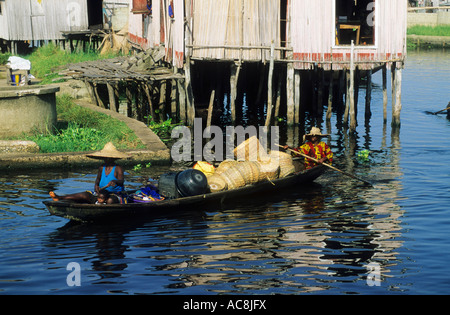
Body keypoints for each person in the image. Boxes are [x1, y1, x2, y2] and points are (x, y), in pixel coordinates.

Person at [49, 142, 130, 204]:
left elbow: (121, 181)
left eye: (107, 157)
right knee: (84, 195)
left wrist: (115, 181)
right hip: (101, 193)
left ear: (112, 158)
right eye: (105, 157)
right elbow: (97, 180)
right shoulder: (102, 167)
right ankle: (60, 197)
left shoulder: (118, 168)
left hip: (115, 194)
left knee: (110, 201)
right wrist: (96, 187)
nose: (105, 159)